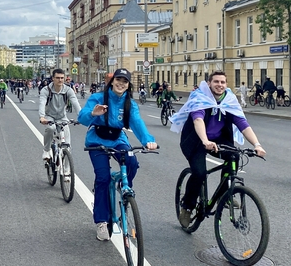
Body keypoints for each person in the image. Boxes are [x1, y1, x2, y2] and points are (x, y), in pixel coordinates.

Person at [172, 71, 266, 228]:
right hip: (197, 140)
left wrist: (257, 144)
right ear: (209, 83)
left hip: (219, 139)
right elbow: (198, 120)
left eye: (223, 82)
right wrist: (205, 140)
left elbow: (242, 123)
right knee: (199, 173)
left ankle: (224, 194)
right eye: (216, 81)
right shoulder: (200, 97)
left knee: (234, 157)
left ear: (226, 85)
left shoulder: (229, 101)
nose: (219, 85)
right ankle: (187, 207)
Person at [77, 68, 157, 241]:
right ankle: (101, 222)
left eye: (125, 81)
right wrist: (93, 113)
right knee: (103, 178)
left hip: (117, 138)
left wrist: (148, 140)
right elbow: (82, 117)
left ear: (128, 85)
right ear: (112, 81)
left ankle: (122, 184)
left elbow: (137, 123)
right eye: (118, 80)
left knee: (132, 162)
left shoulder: (129, 103)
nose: (121, 83)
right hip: (97, 139)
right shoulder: (98, 98)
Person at [39, 69, 81, 161]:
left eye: (62, 78)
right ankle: (46, 150)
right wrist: (42, 117)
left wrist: (81, 116)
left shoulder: (68, 90)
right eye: (57, 78)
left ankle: (67, 172)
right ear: (53, 78)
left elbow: (75, 103)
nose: (60, 80)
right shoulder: (46, 90)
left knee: (67, 146)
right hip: (50, 116)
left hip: (62, 117)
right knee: (51, 128)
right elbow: (42, 103)